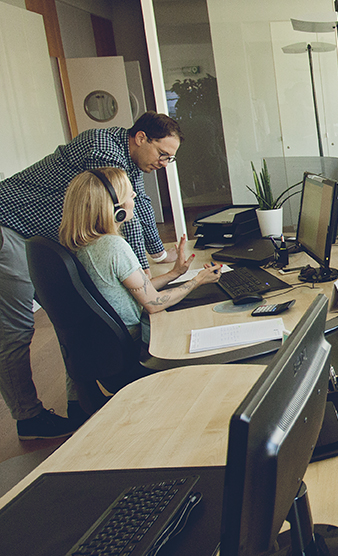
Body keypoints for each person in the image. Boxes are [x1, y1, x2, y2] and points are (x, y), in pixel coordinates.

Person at [0, 112, 181, 439]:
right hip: (7, 225)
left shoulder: (130, 157)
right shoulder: (102, 149)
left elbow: (141, 202)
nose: (165, 162)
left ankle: (79, 402)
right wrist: (141, 272)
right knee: (16, 329)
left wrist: (159, 255)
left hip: (38, 232)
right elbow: (128, 212)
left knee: (71, 314)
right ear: (141, 138)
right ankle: (29, 419)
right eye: (163, 154)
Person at [59, 168, 222, 345]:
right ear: (115, 208)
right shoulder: (113, 246)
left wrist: (175, 273)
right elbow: (153, 302)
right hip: (135, 338)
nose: (135, 196)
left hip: (103, 342)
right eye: (129, 194)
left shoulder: (82, 244)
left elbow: (138, 289)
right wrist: (198, 280)